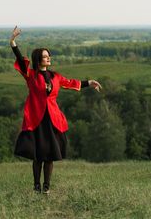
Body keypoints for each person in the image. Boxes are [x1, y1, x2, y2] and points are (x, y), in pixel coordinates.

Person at [10, 26, 102, 194]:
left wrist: (90, 82)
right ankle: (36, 186)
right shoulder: (30, 75)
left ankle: (46, 188)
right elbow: (21, 61)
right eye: (45, 56)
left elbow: (71, 82)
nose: (48, 58)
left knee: (50, 155)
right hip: (37, 119)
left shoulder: (56, 77)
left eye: (49, 55)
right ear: (38, 60)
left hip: (52, 119)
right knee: (38, 156)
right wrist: (13, 42)